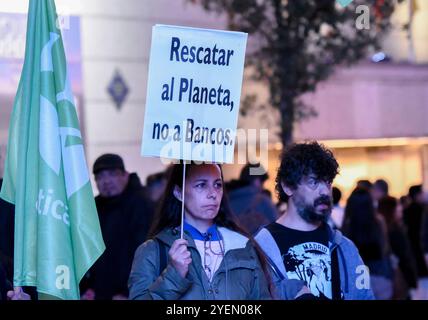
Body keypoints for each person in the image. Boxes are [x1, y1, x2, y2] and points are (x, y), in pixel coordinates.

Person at [128, 163, 271, 300]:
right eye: (201, 185)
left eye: (218, 185)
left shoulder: (242, 246)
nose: (213, 194)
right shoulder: (152, 250)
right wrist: (174, 275)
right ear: (179, 193)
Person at [255, 142, 374, 300]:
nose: (325, 191)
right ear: (288, 186)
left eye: (328, 182)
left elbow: (365, 296)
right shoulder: (261, 248)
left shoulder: (345, 247)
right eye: (314, 182)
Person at [81, 153, 154, 300]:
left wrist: (127, 292)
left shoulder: (141, 205)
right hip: (97, 293)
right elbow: (86, 249)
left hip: (132, 293)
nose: (106, 181)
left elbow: (145, 253)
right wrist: (86, 286)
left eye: (112, 174)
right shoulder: (92, 208)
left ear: (125, 175)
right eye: (100, 177)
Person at [342, 188, 394, 300]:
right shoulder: (379, 222)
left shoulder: (347, 225)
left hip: (356, 278)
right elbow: (385, 248)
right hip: (380, 275)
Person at [378, 196, 418, 299]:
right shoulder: (395, 232)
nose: (401, 209)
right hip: (399, 278)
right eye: (398, 207)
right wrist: (411, 279)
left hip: (387, 279)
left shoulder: (382, 230)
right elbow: (404, 257)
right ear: (391, 211)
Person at [227, 163, 278, 235]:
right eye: (262, 183)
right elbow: (278, 229)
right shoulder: (262, 201)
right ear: (256, 181)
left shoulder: (226, 201)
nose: (262, 187)